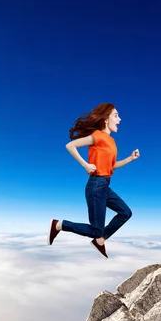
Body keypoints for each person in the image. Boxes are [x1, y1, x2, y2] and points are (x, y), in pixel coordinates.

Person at [48, 103, 140, 258]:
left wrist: (130, 158)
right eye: (116, 115)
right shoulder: (97, 136)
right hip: (96, 185)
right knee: (96, 230)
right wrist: (85, 164)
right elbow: (70, 145)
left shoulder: (112, 141)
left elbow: (112, 166)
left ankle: (100, 241)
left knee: (125, 213)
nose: (120, 119)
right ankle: (59, 225)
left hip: (105, 185)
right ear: (105, 119)